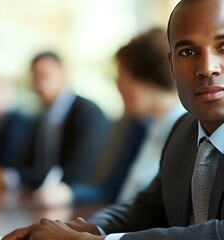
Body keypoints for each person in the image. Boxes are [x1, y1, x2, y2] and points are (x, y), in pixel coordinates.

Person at [3, 0, 224, 239]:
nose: (206, 67)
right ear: (171, 65)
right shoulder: (185, 128)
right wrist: (81, 229)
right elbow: (148, 207)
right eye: (187, 52)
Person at [72, 27, 185, 204]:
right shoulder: (150, 126)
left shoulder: (185, 131)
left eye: (122, 78)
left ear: (148, 84)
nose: (118, 86)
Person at [21, 52, 111, 207]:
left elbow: (83, 170)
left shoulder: (89, 113)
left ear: (62, 75)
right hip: (43, 201)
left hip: (80, 204)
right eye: (35, 78)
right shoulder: (42, 116)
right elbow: (30, 164)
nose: (38, 85)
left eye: (44, 76)